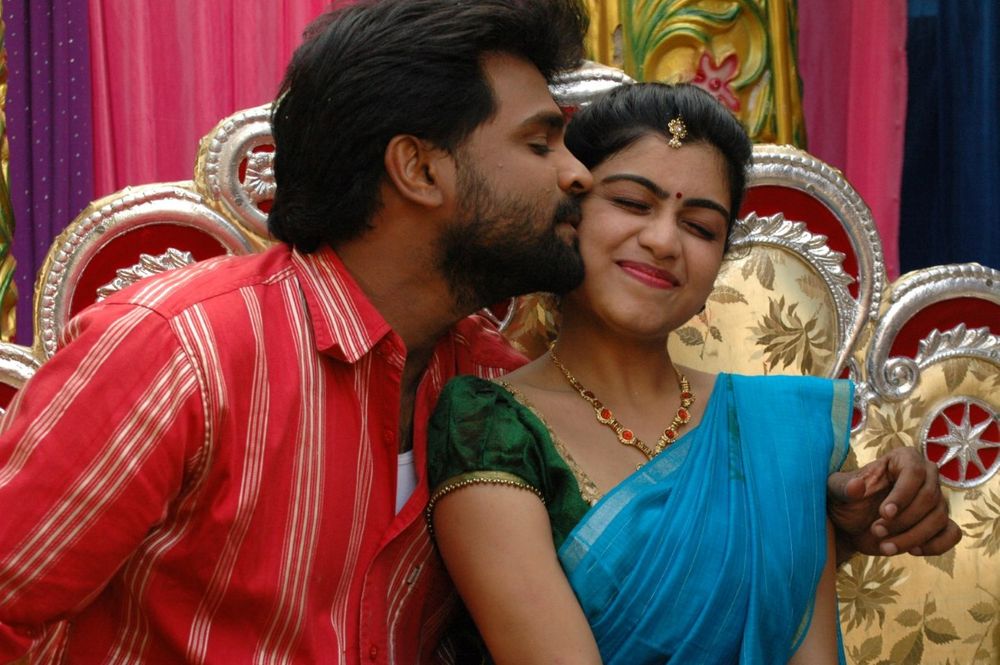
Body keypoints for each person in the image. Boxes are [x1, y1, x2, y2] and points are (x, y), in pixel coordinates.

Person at [0, 1, 959, 663]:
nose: (574, 176)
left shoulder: (479, 383)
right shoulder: (183, 352)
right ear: (420, 168)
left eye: (701, 225)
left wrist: (827, 519)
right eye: (542, 144)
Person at [424, 82, 926, 664]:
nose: (664, 241)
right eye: (632, 203)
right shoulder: (490, 427)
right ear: (569, 213)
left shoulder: (781, 436)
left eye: (701, 227)